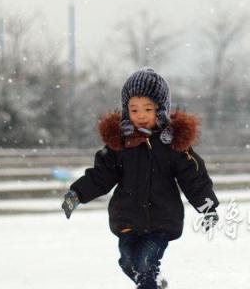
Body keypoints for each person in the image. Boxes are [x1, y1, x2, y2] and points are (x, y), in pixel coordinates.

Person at [62, 67, 219, 289]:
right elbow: (101, 176)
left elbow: (193, 177)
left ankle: (151, 283)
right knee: (127, 261)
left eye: (148, 108)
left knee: (145, 263)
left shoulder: (171, 145)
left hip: (161, 220)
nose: (141, 115)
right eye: (134, 109)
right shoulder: (120, 145)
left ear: (161, 110)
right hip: (127, 219)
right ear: (126, 111)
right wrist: (77, 194)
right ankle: (155, 284)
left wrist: (207, 207)